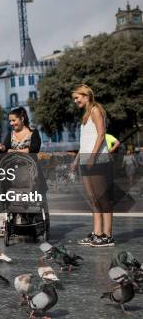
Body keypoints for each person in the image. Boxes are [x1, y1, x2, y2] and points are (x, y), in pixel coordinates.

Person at [71, 84, 114, 247]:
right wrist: (76, 160)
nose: (75, 101)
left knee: (103, 199)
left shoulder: (96, 109)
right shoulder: (86, 114)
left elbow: (102, 134)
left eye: (77, 97)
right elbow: (85, 141)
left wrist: (93, 157)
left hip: (97, 159)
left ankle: (108, 235)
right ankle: (97, 233)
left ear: (86, 95)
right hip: (85, 159)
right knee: (93, 199)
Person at [0, 107, 42, 237]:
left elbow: (33, 150)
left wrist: (12, 151)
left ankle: (28, 217)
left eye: (14, 120)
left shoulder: (33, 133)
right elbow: (6, 149)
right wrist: (2, 147)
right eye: (10, 121)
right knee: (3, 184)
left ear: (22, 118)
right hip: (12, 171)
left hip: (29, 170)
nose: (11, 123)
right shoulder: (10, 135)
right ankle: (10, 218)